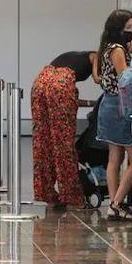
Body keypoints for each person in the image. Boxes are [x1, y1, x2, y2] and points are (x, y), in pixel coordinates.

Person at [31, 48, 97, 208]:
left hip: (41, 81)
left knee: (42, 142)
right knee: (64, 144)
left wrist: (92, 103)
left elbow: (68, 99)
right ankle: (71, 195)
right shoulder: (96, 56)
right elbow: (97, 79)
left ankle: (46, 193)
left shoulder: (73, 57)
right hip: (61, 83)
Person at [94, 9, 132, 221]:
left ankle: (113, 204)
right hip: (121, 106)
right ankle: (117, 202)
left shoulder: (105, 47)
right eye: (128, 27)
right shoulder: (118, 49)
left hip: (108, 104)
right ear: (118, 29)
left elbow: (99, 77)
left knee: (114, 158)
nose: (131, 31)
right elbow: (125, 78)